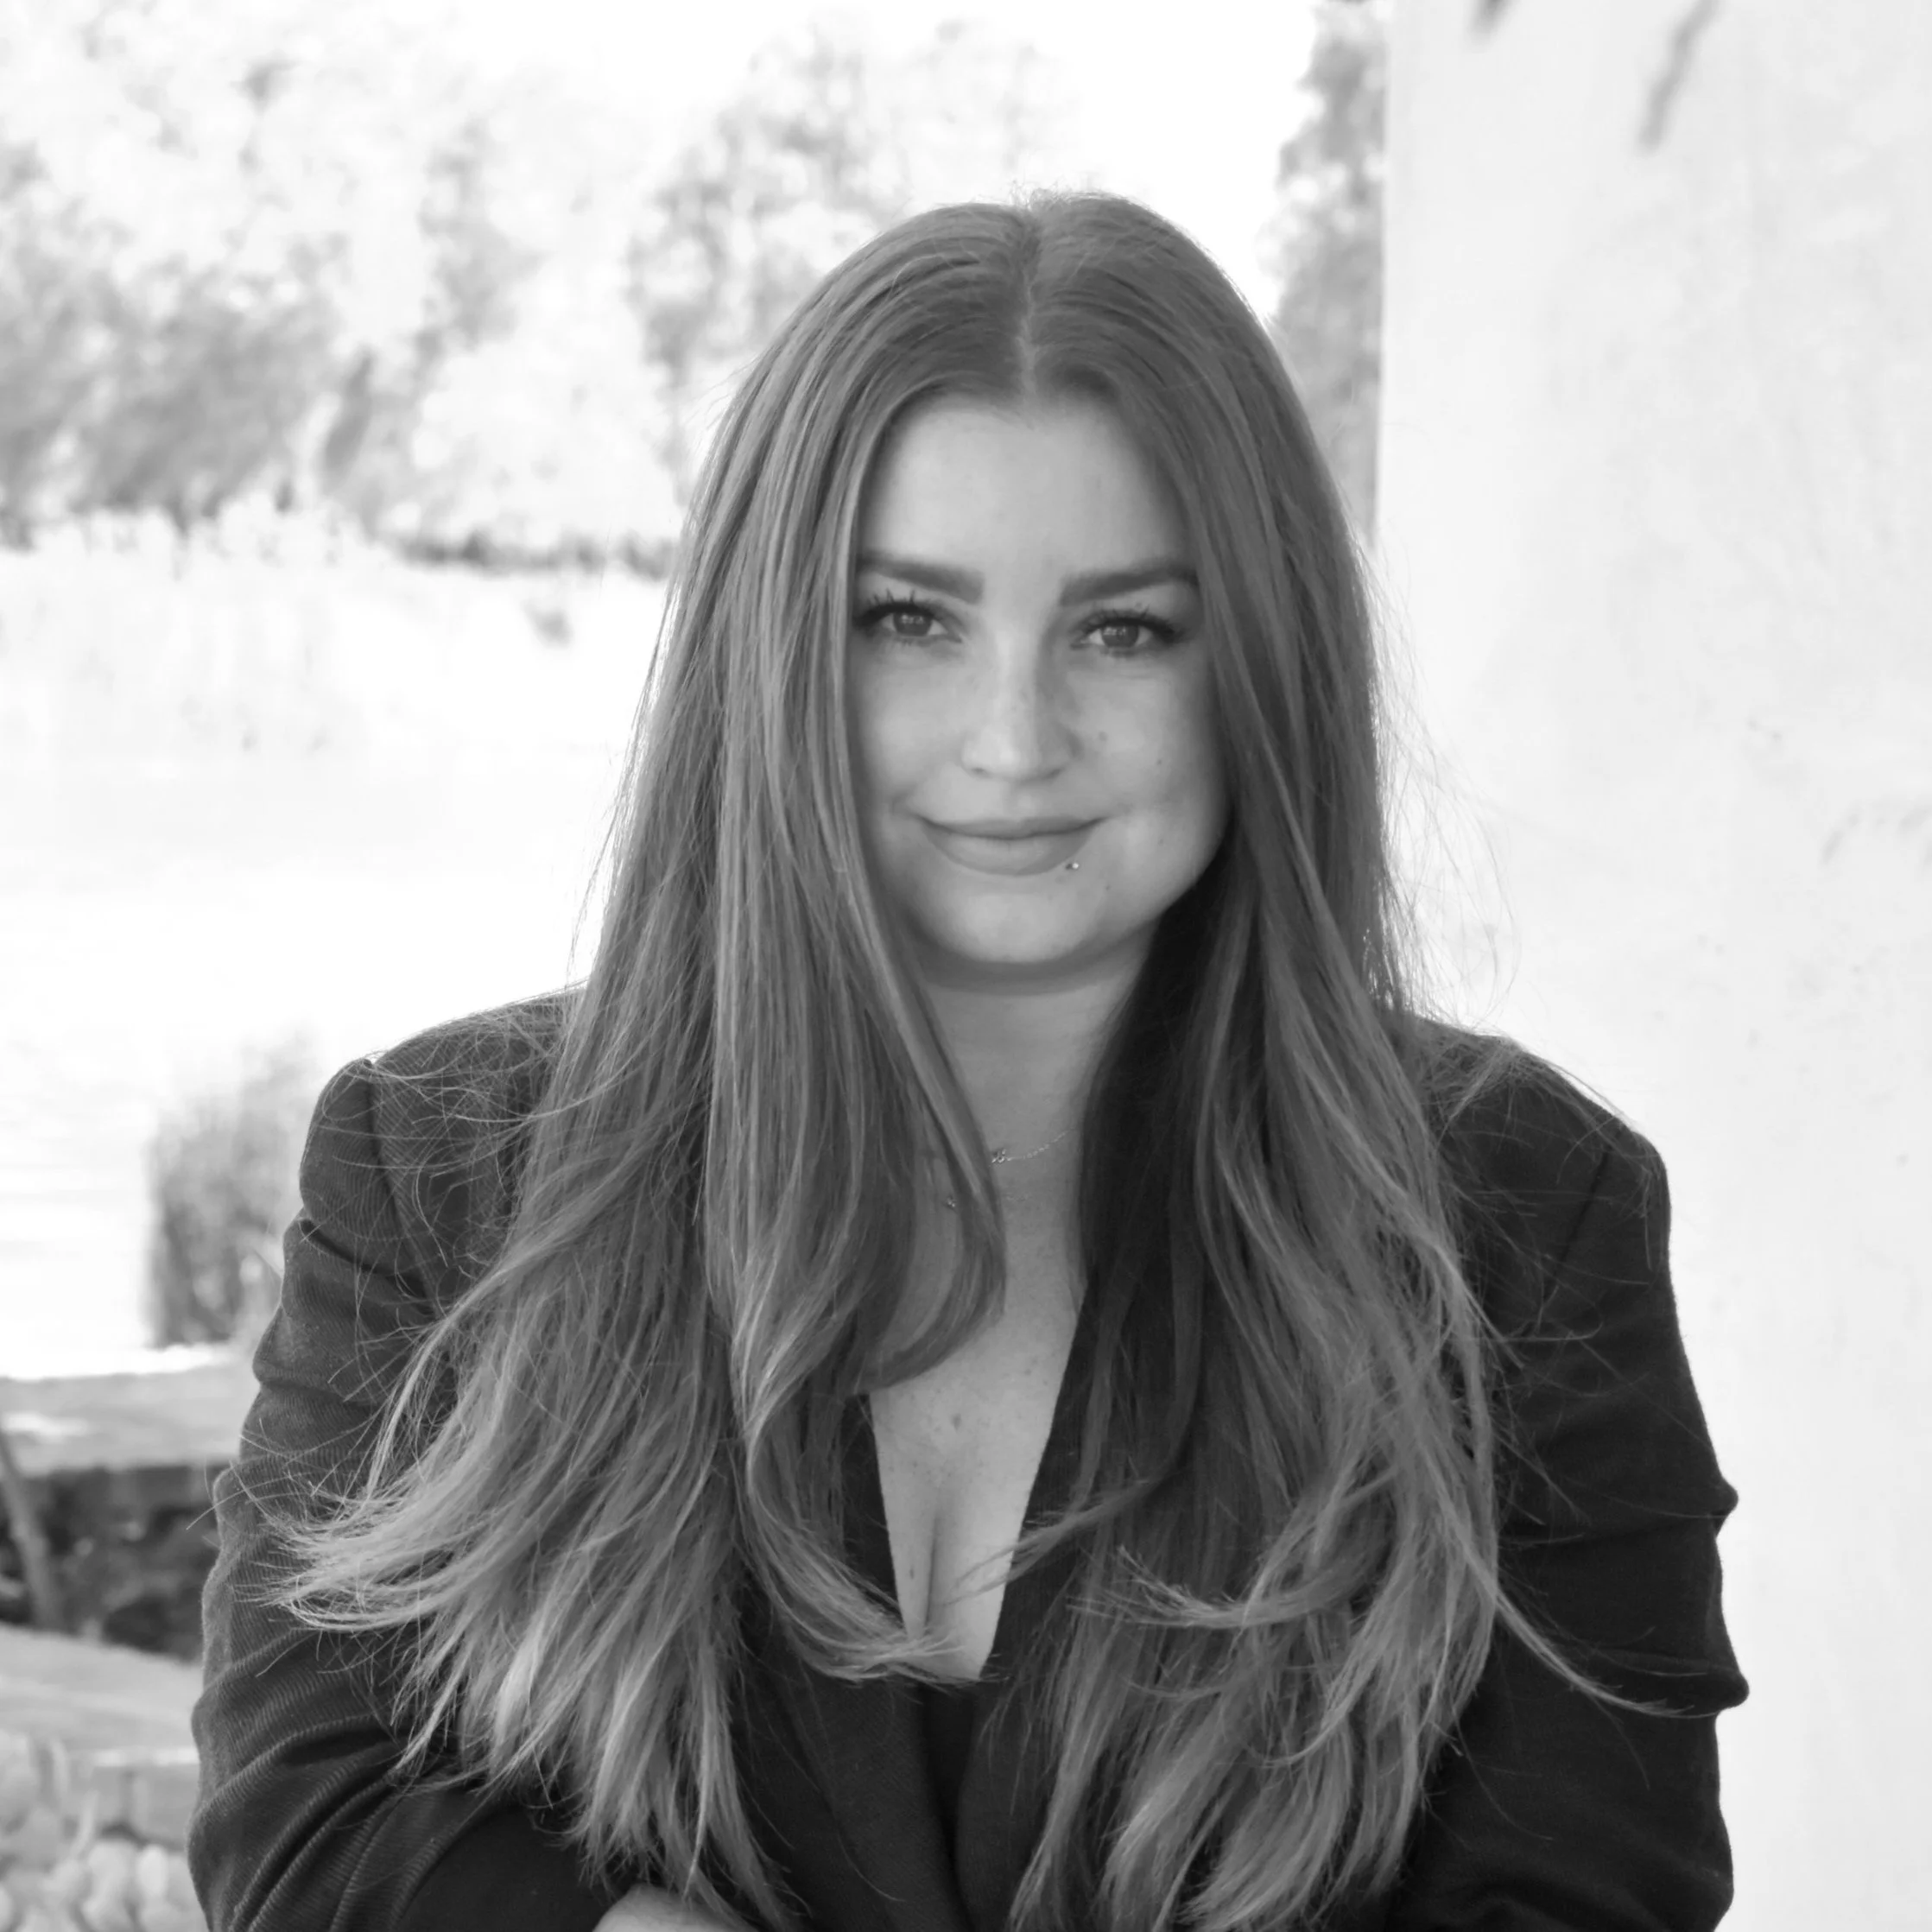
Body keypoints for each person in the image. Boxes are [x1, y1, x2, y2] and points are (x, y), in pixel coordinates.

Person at [188, 191, 1745, 1932]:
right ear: (771, 648)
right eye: (909, 620)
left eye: (1124, 627)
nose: (1015, 738)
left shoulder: (1522, 1213)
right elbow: (310, 1830)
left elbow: (1584, 1895)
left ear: (1263, 665)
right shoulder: (441, 1169)